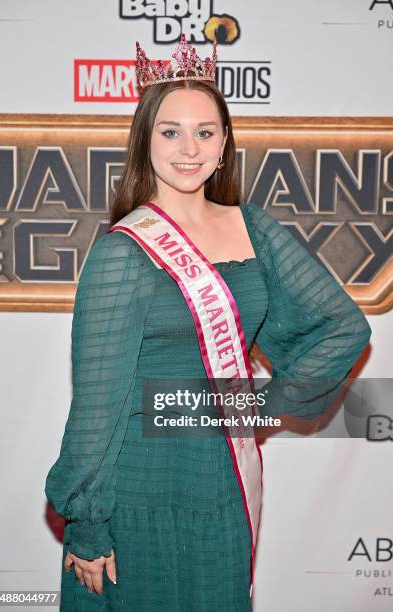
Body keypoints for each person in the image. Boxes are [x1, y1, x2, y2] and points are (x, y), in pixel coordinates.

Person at [45, 34, 372, 611]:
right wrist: (89, 522)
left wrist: (258, 405)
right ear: (145, 141)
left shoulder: (255, 229)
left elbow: (342, 328)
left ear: (225, 144)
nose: (188, 148)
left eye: (205, 132)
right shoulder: (123, 252)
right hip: (141, 487)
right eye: (170, 131)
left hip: (221, 477)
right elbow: (97, 406)